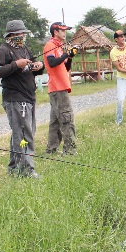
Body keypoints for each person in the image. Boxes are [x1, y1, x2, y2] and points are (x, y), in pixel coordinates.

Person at [0, 19, 44, 177]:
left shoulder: (24, 49)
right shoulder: (3, 50)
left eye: (24, 34)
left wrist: (39, 66)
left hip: (28, 97)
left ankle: (14, 168)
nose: (23, 36)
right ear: (12, 34)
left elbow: (31, 67)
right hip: (15, 98)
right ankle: (26, 170)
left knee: (21, 133)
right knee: (23, 134)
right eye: (20, 34)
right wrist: (16, 64)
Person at [43, 22, 78, 155]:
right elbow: (52, 63)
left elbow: (65, 67)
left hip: (59, 87)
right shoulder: (50, 45)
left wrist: (69, 57)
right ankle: (70, 151)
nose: (65, 33)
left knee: (55, 121)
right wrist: (65, 55)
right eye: (62, 30)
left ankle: (51, 149)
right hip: (58, 88)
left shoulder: (58, 47)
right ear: (55, 32)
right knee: (66, 118)